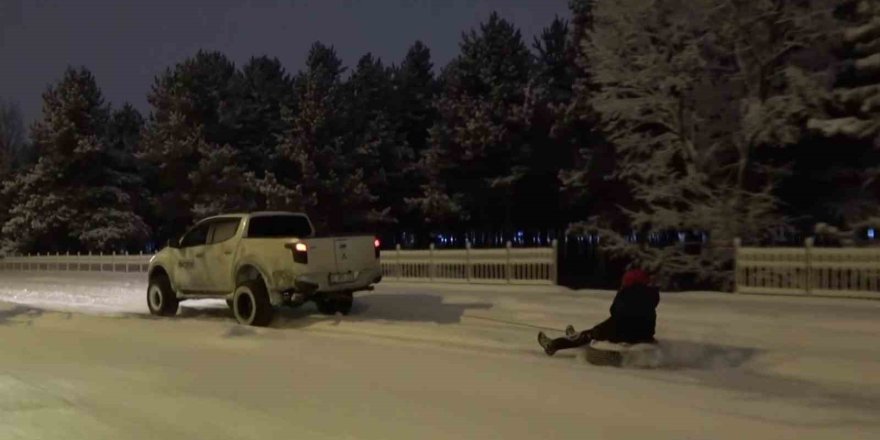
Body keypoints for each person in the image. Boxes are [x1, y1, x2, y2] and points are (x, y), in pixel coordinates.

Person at [538, 268, 660, 356]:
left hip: (623, 332)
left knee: (592, 333)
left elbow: (614, 311)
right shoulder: (651, 294)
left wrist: (621, 293)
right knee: (601, 329)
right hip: (645, 334)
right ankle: (574, 336)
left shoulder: (628, 293)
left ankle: (553, 344)